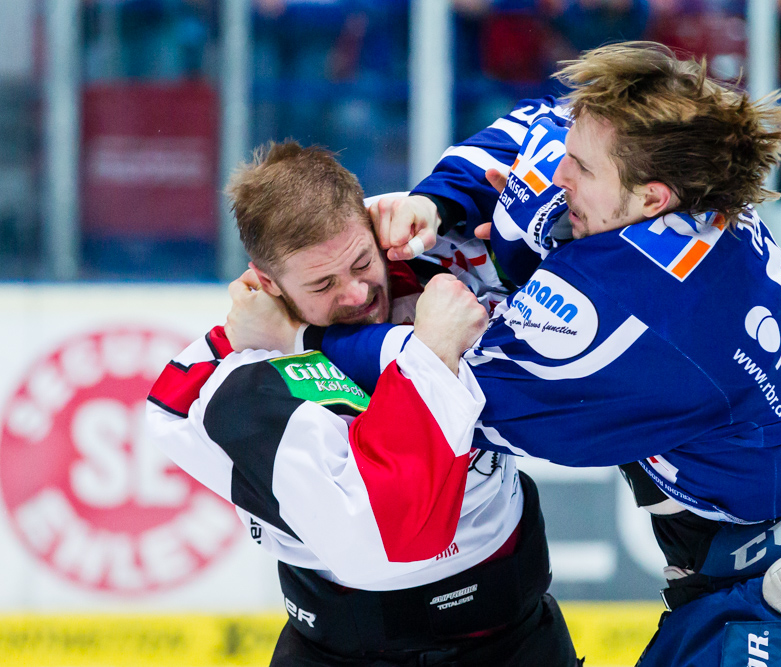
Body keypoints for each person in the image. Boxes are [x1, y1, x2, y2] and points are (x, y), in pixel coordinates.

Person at [232, 43, 781, 666]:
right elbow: (526, 135)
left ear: (652, 199)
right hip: (761, 595)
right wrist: (434, 204)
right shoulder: (660, 180)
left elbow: (445, 382)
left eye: (580, 169)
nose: (561, 174)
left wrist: (301, 337)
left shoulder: (641, 316)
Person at [145, 142, 580, 667]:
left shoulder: (447, 266)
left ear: (375, 232)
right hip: (337, 655)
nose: (355, 294)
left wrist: (440, 200)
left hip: (514, 640)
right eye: (323, 283)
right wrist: (422, 350)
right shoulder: (237, 379)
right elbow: (380, 536)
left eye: (360, 263)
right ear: (266, 284)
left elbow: (554, 132)